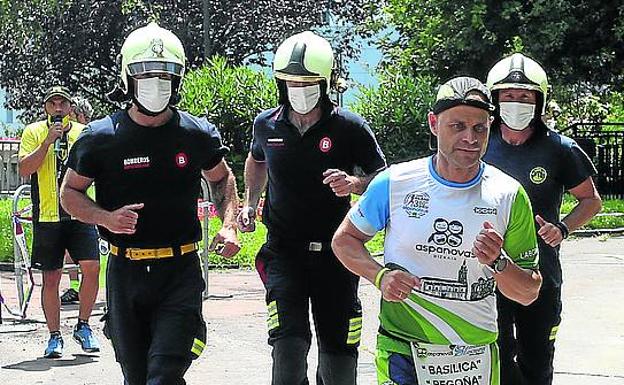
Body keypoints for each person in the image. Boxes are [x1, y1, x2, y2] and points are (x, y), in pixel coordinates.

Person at [60, 22, 241, 384]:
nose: (155, 84)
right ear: (127, 79)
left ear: (178, 81)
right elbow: (69, 194)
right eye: (145, 74)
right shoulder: (100, 138)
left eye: (165, 75)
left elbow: (221, 178)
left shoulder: (196, 133)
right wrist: (106, 218)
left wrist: (229, 223)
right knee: (137, 377)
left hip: (181, 270)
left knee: (165, 372)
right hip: (125, 273)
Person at [332, 77, 543, 385]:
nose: (470, 138)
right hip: (403, 345)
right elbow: (345, 241)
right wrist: (380, 276)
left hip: (474, 351)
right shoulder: (395, 182)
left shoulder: (508, 194)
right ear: (434, 123)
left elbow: (528, 292)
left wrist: (498, 262)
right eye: (457, 126)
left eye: (479, 128)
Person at [237, 31, 386, 385]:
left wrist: (354, 184)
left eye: (308, 83)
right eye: (291, 83)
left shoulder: (349, 126)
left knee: (338, 361)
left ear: (325, 83)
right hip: (283, 253)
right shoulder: (266, 125)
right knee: (287, 353)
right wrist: (250, 203)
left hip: (337, 254)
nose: (299, 90)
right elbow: (255, 161)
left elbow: (382, 176)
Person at [484, 53, 602, 385]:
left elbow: (590, 200)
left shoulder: (560, 148)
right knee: (497, 360)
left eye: (524, 97)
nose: (516, 103)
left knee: (537, 363)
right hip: (488, 275)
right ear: (495, 99)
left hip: (541, 276)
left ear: (540, 101)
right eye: (508, 95)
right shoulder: (479, 145)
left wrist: (563, 227)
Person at [18, 85, 101, 358]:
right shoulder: (33, 132)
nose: (57, 109)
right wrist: (47, 143)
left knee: (91, 267)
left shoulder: (82, 133)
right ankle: (54, 336)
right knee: (51, 276)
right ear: (45, 107)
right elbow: (24, 169)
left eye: (62, 104)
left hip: (80, 213)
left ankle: (84, 325)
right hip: (48, 216)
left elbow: (97, 169)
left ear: (69, 107)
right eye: (52, 103)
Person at [61, 96, 96, 305]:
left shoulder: (91, 136)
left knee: (92, 252)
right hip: (72, 201)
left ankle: (99, 291)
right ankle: (74, 287)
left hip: (91, 205)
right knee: (69, 248)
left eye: (71, 113)